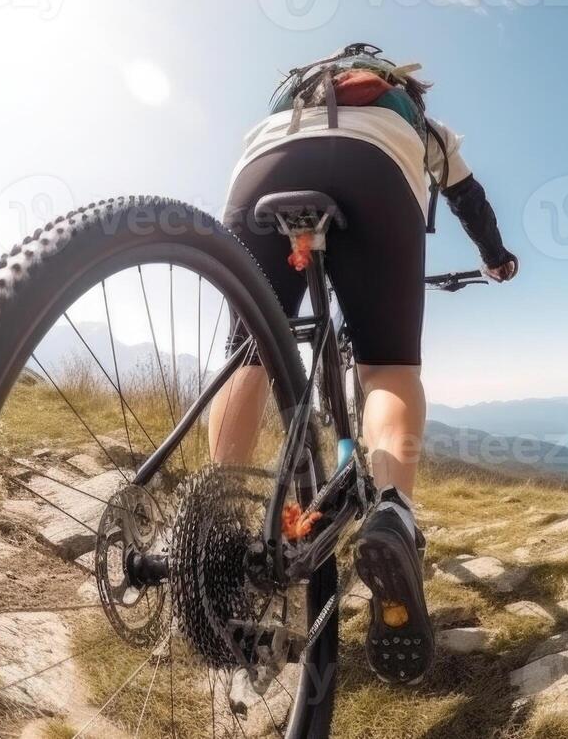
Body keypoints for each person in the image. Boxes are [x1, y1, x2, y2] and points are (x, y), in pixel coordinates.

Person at [209, 43, 517, 686]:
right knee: (387, 367)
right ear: (397, 84)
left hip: (262, 164)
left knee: (250, 356)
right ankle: (393, 512)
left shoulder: (293, 94)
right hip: (374, 168)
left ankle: (214, 525)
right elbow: (468, 198)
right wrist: (494, 256)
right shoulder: (420, 122)